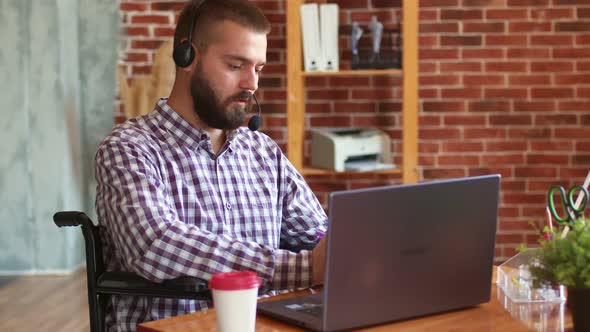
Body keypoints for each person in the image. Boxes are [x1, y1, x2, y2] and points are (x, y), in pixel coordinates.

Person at [95, 0, 328, 331]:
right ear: (186, 56)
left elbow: (318, 235)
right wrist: (303, 268)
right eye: (236, 66)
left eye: (258, 68)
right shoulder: (128, 148)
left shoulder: (263, 152)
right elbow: (155, 243)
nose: (252, 84)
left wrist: (339, 246)